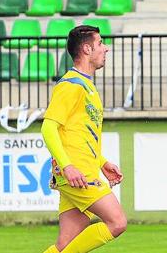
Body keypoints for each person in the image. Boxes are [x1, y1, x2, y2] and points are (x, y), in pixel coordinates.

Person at [41, 25, 127, 253]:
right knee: (117, 222)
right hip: (77, 174)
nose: (105, 48)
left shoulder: (87, 87)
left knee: (65, 245)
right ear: (87, 49)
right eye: (100, 44)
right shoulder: (71, 85)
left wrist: (102, 162)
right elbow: (48, 128)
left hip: (81, 171)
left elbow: (80, 135)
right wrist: (68, 166)